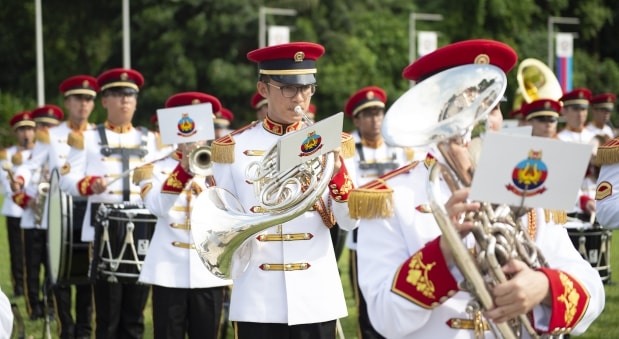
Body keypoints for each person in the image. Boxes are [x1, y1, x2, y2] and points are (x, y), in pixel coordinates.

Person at [349, 39, 605, 338]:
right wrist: (443, 253)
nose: (482, 120)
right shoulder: (390, 197)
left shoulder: (527, 187)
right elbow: (384, 319)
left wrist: (545, 287)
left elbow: (593, 290)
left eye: (492, 106)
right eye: (464, 106)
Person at [208, 41, 358, 339]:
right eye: (288, 88)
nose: (299, 97)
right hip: (257, 296)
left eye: (306, 88)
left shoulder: (332, 142)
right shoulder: (234, 148)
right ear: (263, 89)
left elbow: (349, 220)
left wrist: (337, 169)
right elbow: (221, 223)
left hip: (315, 294)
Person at [58, 68, 158, 339]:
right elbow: (65, 180)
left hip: (142, 233)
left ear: (136, 101)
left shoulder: (150, 140)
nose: (125, 100)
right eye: (117, 94)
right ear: (104, 101)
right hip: (102, 234)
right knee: (107, 315)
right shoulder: (87, 138)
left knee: (135, 314)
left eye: (130, 94)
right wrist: (89, 185)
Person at [134, 91, 233, 339]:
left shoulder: (222, 168)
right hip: (167, 272)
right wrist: (183, 171)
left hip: (209, 272)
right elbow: (156, 206)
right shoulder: (152, 166)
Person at [15, 75, 98, 338]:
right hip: (59, 212)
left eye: (88, 100)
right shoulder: (50, 135)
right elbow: (32, 164)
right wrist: (20, 177)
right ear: (68, 101)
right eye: (78, 99)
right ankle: (66, 325)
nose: (83, 105)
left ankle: (84, 328)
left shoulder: (98, 134)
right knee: (59, 273)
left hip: (89, 212)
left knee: (88, 274)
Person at [342, 85, 414, 339]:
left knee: (404, 295)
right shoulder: (346, 147)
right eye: (369, 114)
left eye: (379, 113)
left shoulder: (400, 145)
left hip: (399, 232)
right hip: (363, 235)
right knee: (367, 303)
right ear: (357, 119)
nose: (375, 120)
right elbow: (351, 190)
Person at [11, 104, 63, 321]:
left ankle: (51, 307)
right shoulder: (25, 157)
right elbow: (13, 187)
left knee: (53, 268)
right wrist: (28, 201)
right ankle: (35, 307)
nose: (45, 129)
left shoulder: (61, 152)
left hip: (53, 220)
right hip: (31, 220)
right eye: (41, 125)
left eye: (49, 126)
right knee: (31, 267)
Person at [0, 111, 35, 299]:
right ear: (16, 132)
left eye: (29, 128)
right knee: (17, 250)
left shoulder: (40, 152)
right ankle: (19, 286)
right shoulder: (7, 155)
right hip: (15, 209)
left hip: (37, 210)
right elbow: (5, 183)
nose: (26, 133)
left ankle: (35, 286)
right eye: (22, 129)